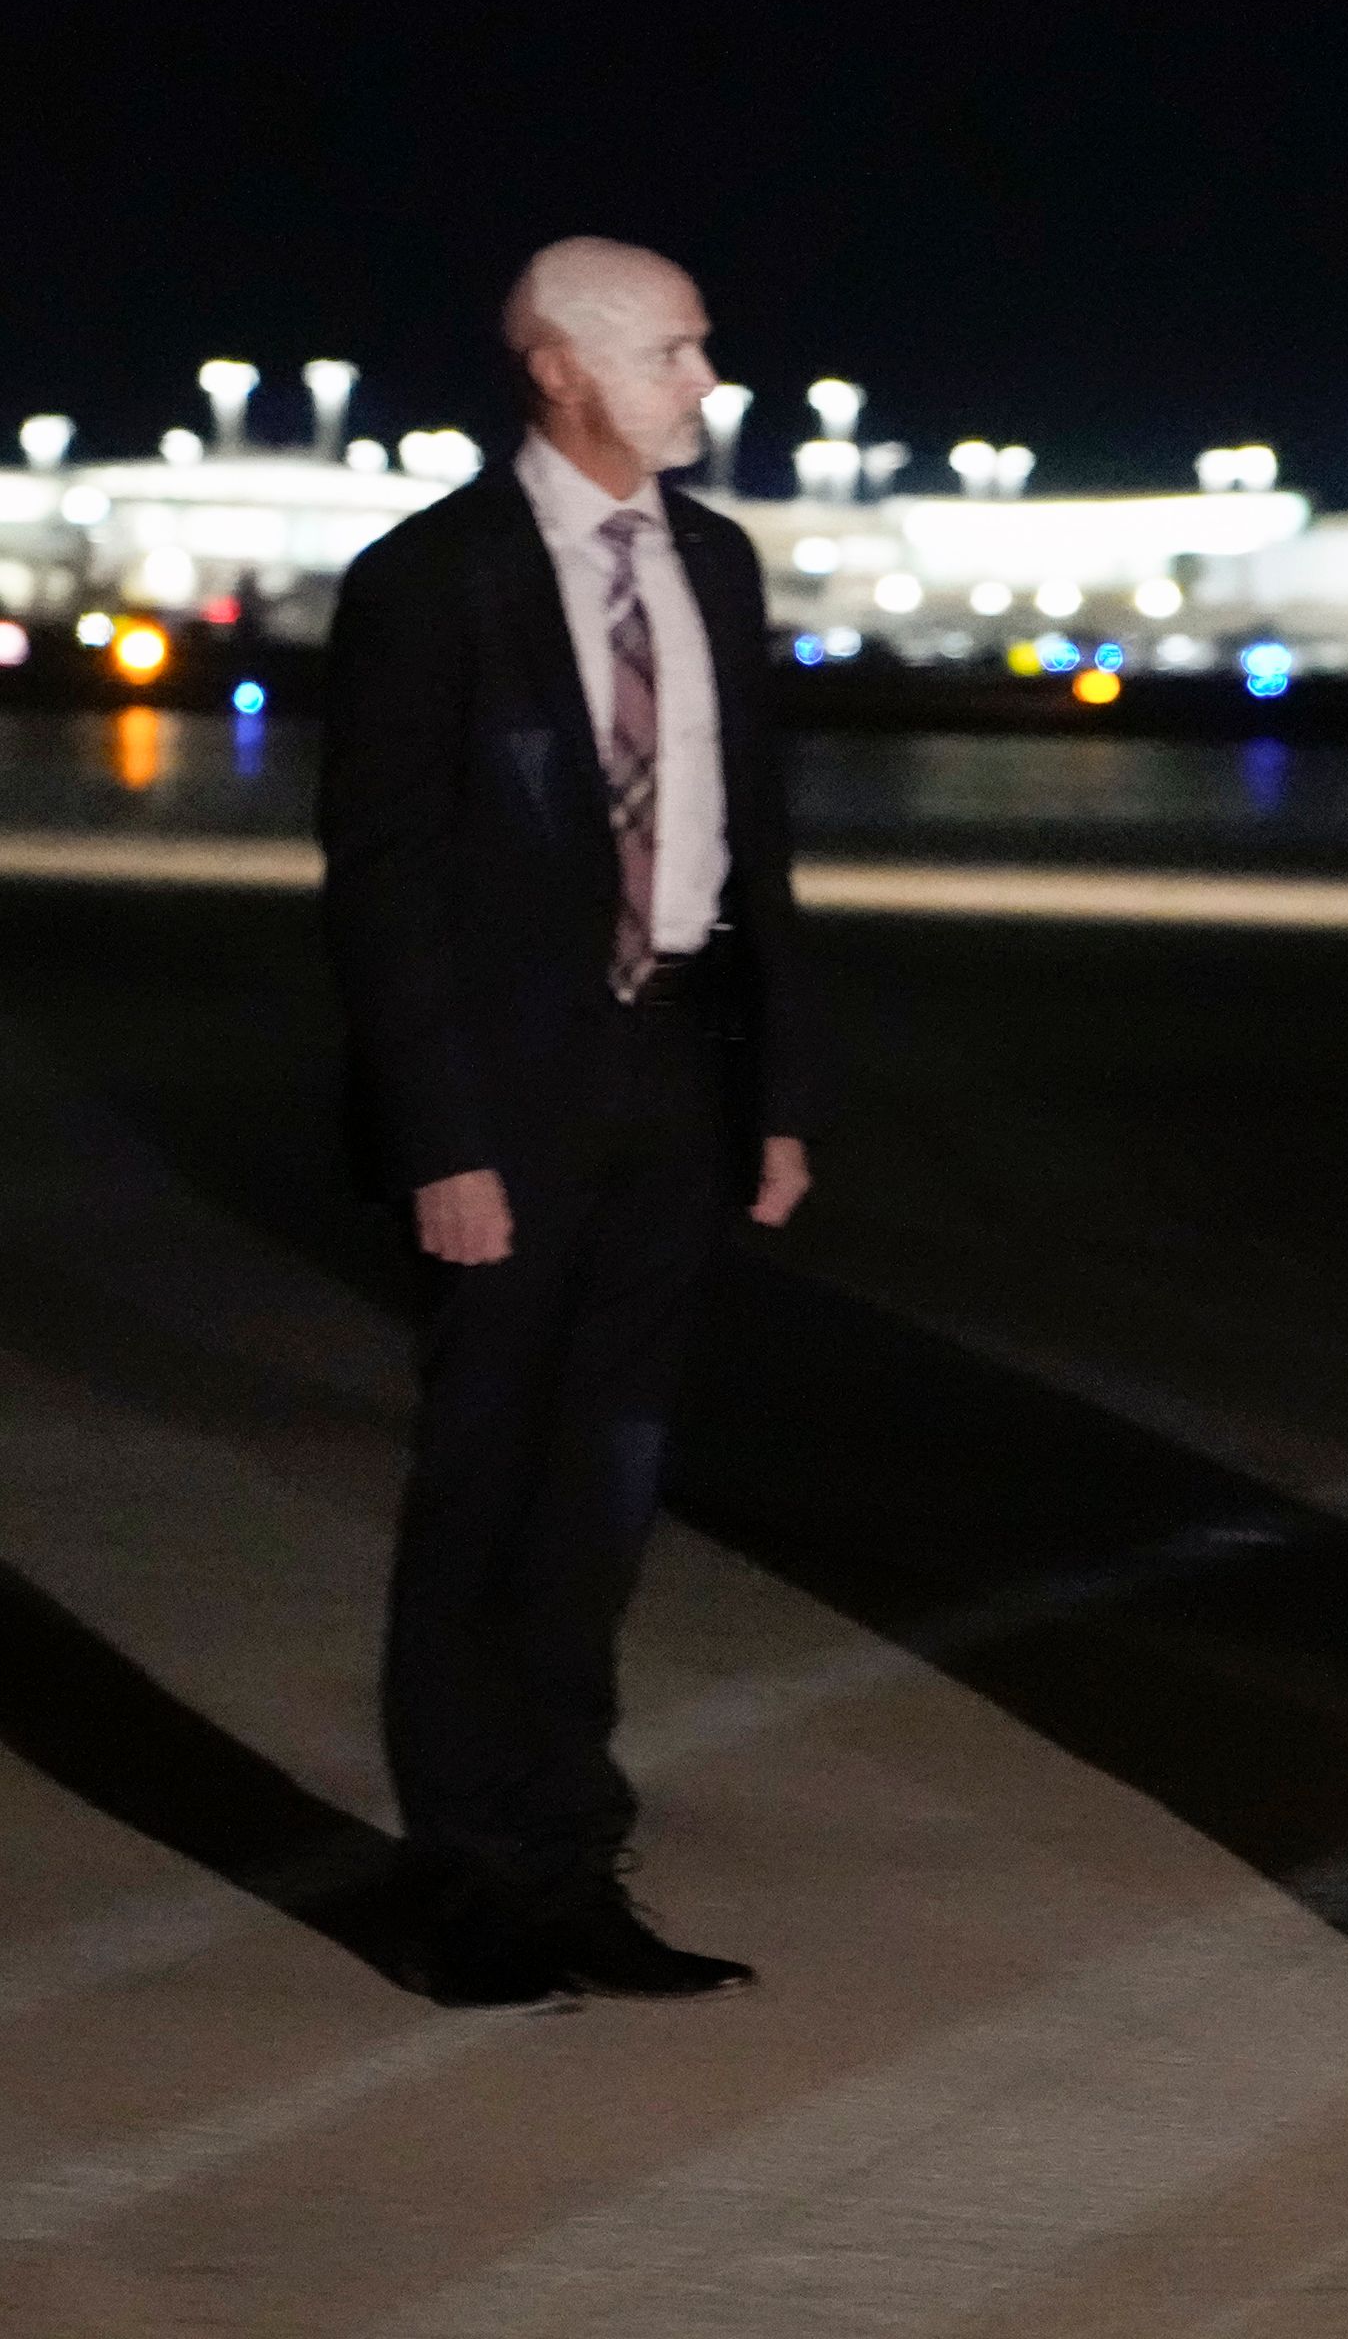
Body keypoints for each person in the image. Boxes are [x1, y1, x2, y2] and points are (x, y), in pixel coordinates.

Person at [318, 237, 820, 2010]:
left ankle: (570, 1866)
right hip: (507, 1099)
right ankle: (464, 1883)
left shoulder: (716, 565)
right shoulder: (430, 581)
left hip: (674, 1078)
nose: (704, 382)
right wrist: (443, 1140)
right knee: (483, 1487)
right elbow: (383, 892)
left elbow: (755, 858)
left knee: (605, 1492)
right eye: (675, 353)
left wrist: (773, 1097)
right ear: (561, 370)